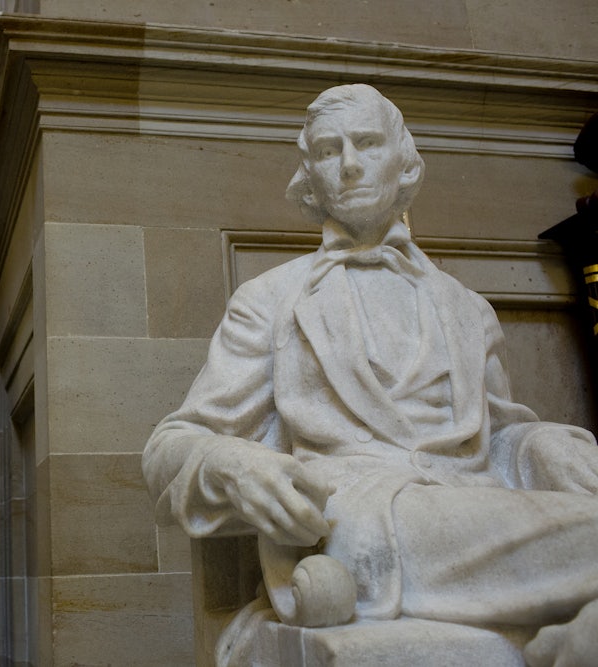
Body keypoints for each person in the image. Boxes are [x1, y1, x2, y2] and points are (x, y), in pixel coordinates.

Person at [142, 84, 598, 666]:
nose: (350, 164)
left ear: (404, 161)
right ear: (310, 176)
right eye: (330, 151)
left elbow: (497, 435)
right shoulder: (270, 300)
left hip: (472, 504)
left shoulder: (464, 307)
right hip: (364, 524)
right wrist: (236, 464)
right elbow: (169, 450)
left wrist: (545, 447)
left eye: (367, 143)